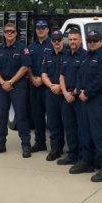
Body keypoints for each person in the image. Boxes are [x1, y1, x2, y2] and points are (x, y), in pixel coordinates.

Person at [72, 30, 102, 182]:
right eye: (90, 41)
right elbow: (80, 75)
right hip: (84, 99)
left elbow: (101, 79)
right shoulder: (87, 56)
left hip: (98, 100)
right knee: (85, 132)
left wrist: (87, 93)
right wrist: (78, 88)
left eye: (95, 40)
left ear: (101, 41)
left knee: (99, 134)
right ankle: (86, 162)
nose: (92, 43)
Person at [0, 22, 33, 157]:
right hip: (2, 86)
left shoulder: (22, 48)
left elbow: (25, 66)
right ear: (3, 33)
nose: (9, 33)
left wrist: (12, 81)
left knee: (21, 115)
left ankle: (26, 145)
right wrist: (3, 82)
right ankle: (0, 144)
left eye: (12, 31)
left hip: (18, 85)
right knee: (2, 116)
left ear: (16, 33)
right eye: (7, 31)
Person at [56, 29, 87, 166]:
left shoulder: (85, 56)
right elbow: (61, 76)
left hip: (78, 98)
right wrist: (65, 93)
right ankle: (72, 155)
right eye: (71, 39)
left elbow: (84, 78)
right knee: (69, 127)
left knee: (81, 128)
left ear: (80, 40)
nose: (73, 42)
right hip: (66, 96)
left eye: (75, 39)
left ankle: (82, 157)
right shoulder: (66, 55)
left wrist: (74, 93)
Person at [41, 30, 66, 161]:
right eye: (54, 40)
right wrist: (51, 86)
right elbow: (43, 74)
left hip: (65, 93)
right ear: (51, 41)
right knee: (52, 122)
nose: (57, 42)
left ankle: (70, 150)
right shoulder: (47, 55)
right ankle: (55, 149)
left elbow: (72, 75)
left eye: (59, 39)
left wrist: (60, 87)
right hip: (51, 93)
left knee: (67, 123)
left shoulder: (68, 54)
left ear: (63, 40)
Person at [27, 19, 51, 153]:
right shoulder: (31, 47)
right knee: (37, 116)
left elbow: (54, 66)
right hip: (34, 86)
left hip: (47, 86)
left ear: (48, 30)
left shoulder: (53, 45)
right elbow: (27, 65)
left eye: (43, 28)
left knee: (52, 117)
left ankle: (56, 145)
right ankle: (40, 142)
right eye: (38, 28)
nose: (40, 30)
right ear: (36, 30)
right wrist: (32, 78)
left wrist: (43, 79)